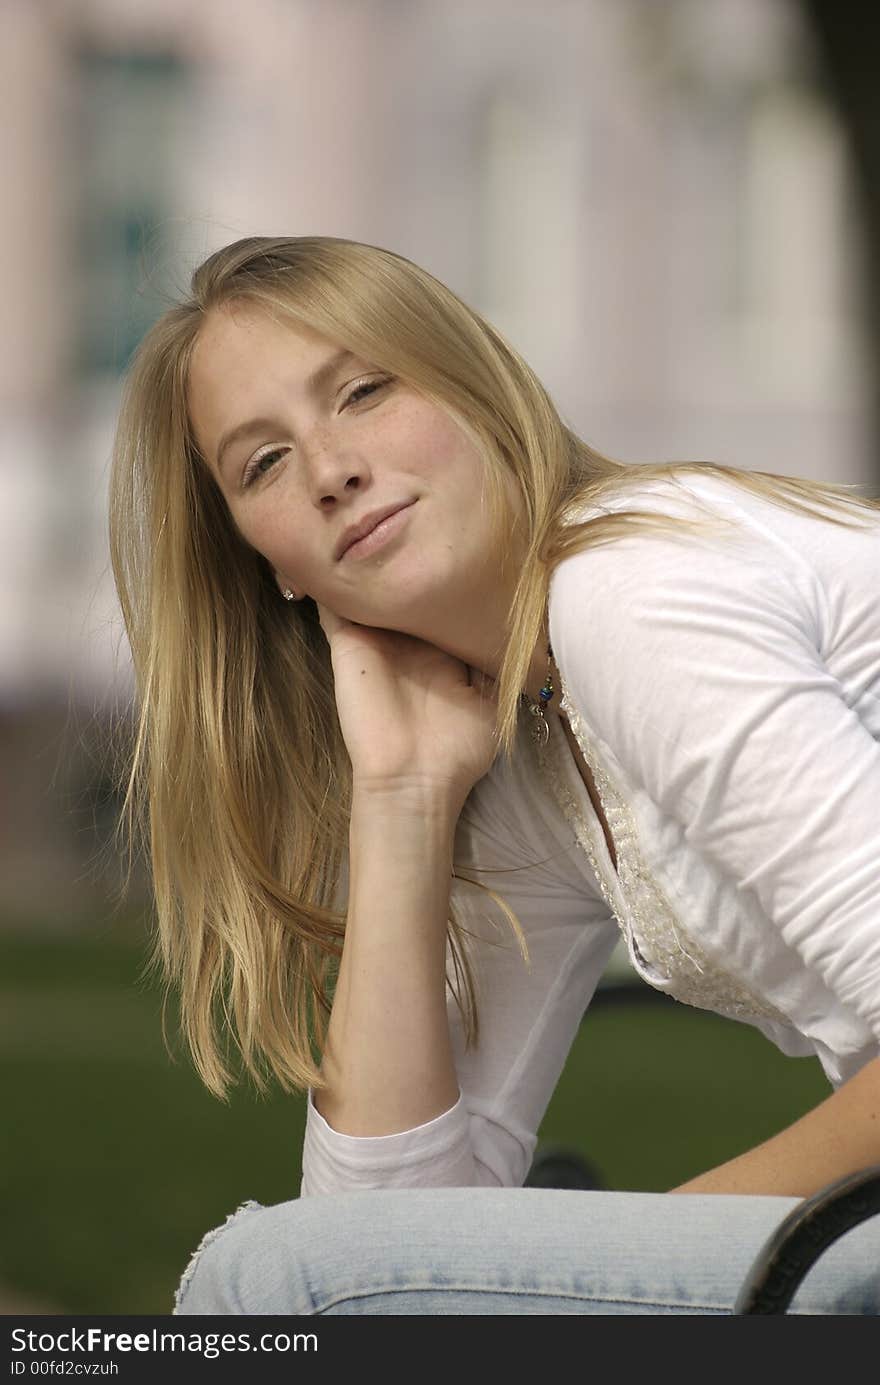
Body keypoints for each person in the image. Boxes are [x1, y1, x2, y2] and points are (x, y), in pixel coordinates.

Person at [108, 235, 880, 1315]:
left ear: (476, 383)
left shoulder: (630, 593)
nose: (332, 468)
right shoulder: (529, 729)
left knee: (270, 1279)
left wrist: (640, 1289)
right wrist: (401, 800)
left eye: (363, 392)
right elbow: (381, 1233)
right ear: (265, 563)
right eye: (263, 462)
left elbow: (357, 1282)